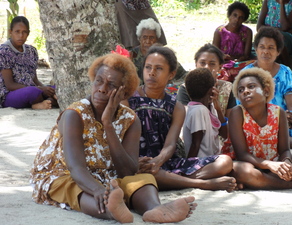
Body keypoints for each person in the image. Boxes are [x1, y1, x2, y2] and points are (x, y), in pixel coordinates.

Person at [30, 53, 197, 223]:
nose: (102, 88)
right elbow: (75, 168)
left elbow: (127, 171)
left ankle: (154, 209)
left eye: (111, 85)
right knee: (74, 188)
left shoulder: (131, 120)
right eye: (99, 81)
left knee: (143, 179)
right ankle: (111, 210)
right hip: (61, 174)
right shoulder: (74, 115)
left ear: (123, 92)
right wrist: (99, 191)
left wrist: (108, 124)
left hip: (104, 174)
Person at [123, 45, 237, 192]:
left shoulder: (175, 106)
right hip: (137, 162)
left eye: (159, 68)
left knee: (225, 162)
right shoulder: (128, 99)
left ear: (171, 74)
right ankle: (201, 183)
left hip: (166, 163)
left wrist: (158, 161)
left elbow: (170, 145)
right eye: (148, 67)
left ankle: (173, 180)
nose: (151, 73)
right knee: (140, 172)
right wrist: (137, 161)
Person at [222, 67, 292, 189]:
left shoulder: (279, 113)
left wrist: (286, 162)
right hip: (247, 164)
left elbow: (285, 150)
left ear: (266, 91)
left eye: (251, 86)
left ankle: (262, 180)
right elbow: (241, 154)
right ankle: (291, 184)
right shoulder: (237, 113)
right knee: (244, 172)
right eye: (241, 90)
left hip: (273, 164)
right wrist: (268, 165)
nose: (245, 91)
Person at [242, 26, 292, 149]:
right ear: (256, 49)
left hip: (284, 121)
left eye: (271, 48)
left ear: (278, 51)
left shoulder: (285, 72)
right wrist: (276, 117)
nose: (266, 51)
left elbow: (291, 104)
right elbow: (244, 109)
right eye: (262, 47)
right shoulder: (246, 74)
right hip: (256, 121)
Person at [0, 16, 56, 109]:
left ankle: (47, 101)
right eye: (17, 32)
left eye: (24, 32)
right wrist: (40, 89)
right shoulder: (4, 51)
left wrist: (47, 89)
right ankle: (49, 101)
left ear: (28, 33)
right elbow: (9, 85)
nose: (21, 36)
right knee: (32, 92)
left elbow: (35, 80)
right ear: (11, 32)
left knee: (57, 89)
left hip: (34, 89)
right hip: (9, 95)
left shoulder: (31, 51)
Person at [177, 43, 236, 118]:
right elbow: (185, 119)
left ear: (220, 67)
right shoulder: (186, 88)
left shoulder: (228, 88)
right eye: (202, 63)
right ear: (196, 65)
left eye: (212, 64)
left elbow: (230, 122)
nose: (207, 67)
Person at [183, 68, 228, 159]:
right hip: (201, 162)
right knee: (226, 161)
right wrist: (188, 167)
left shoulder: (209, 107)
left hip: (213, 158)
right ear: (211, 89)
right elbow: (196, 144)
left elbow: (224, 134)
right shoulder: (198, 110)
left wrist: (218, 109)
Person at [130, 18, 187, 85]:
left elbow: (184, 75)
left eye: (151, 38)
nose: (148, 41)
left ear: (157, 39)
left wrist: (170, 85)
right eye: (144, 37)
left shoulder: (163, 55)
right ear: (139, 39)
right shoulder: (131, 55)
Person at [257, 0, 292, 67]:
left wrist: (281, 3)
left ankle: (286, 69)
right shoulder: (268, 1)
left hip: (290, 39)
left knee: (279, 38)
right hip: (268, 36)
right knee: (272, 39)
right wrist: (280, 30)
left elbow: (285, 26)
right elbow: (259, 27)